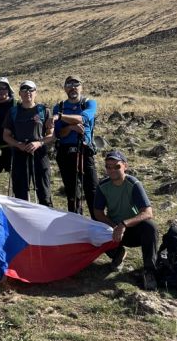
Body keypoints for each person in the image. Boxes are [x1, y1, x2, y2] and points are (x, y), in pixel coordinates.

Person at [94, 150, 158, 291]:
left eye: (116, 166)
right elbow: (98, 213)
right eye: (108, 167)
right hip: (114, 230)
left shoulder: (133, 184)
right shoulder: (103, 186)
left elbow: (148, 212)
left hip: (133, 230)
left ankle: (149, 271)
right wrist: (114, 226)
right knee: (94, 228)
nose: (112, 170)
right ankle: (117, 254)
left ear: (125, 166)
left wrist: (123, 224)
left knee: (150, 227)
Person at [53, 75, 98, 217]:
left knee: (92, 189)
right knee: (72, 192)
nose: (73, 88)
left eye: (76, 84)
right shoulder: (59, 107)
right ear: (65, 88)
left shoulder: (89, 103)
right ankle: (76, 221)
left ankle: (98, 223)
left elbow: (83, 118)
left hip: (84, 150)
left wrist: (61, 117)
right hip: (65, 152)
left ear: (81, 87)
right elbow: (59, 133)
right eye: (69, 85)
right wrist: (71, 127)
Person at [3, 81, 54, 205]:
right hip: (19, 154)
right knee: (20, 194)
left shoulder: (44, 111)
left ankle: (46, 214)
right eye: (24, 90)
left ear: (36, 93)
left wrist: (38, 143)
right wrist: (18, 144)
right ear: (19, 93)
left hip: (40, 154)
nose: (28, 92)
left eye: (31, 90)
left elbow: (51, 135)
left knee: (44, 193)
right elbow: (6, 136)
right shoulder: (13, 112)